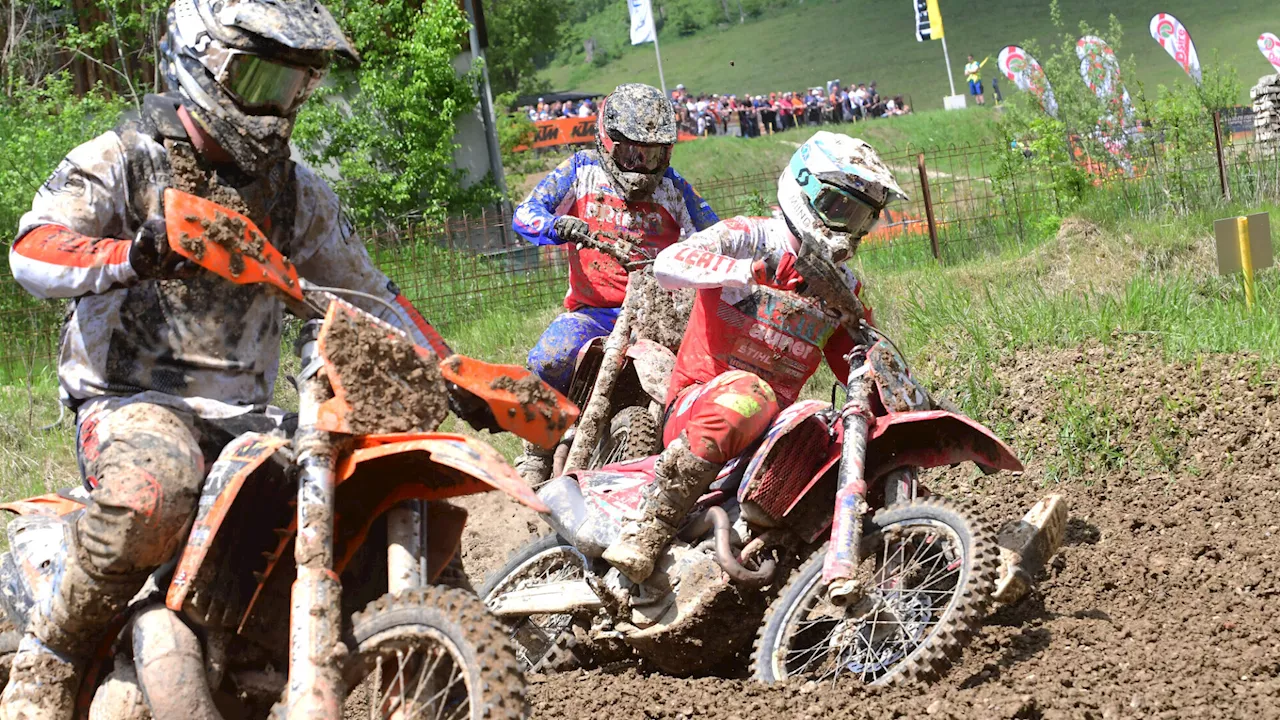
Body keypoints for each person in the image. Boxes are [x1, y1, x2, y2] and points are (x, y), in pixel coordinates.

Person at [0, 0, 501, 715]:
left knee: (367, 485)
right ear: (204, 63)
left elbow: (367, 294)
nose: (281, 103)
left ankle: (442, 654)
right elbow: (33, 252)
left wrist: (449, 370)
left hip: (249, 412)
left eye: (296, 85)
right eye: (265, 79)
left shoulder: (297, 194)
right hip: (129, 402)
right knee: (160, 484)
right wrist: (132, 254)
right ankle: (48, 658)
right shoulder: (125, 158)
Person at [600, 131, 1066, 605]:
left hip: (773, 431)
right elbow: (670, 261)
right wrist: (738, 271)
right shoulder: (751, 236)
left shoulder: (840, 286)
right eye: (842, 210)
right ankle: (650, 527)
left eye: (863, 217)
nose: (851, 228)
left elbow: (863, 366)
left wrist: (917, 408)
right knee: (751, 392)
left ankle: (952, 572)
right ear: (806, 190)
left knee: (863, 439)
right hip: (699, 406)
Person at [511, 83, 720, 486]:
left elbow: (716, 235)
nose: (640, 165)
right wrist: (557, 225)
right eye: (630, 153)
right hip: (594, 313)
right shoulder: (582, 170)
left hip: (661, 315)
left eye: (652, 154)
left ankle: (707, 458)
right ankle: (536, 449)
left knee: (705, 376)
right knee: (547, 358)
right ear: (607, 142)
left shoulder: (674, 188)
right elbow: (525, 213)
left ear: (667, 152)